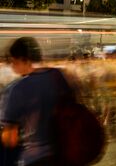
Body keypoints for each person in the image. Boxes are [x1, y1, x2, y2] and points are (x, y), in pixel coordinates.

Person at [1, 37, 75, 166]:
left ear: (23, 59)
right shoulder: (58, 76)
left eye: (13, 61)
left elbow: (10, 139)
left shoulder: (17, 89)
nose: (12, 66)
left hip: (34, 158)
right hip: (63, 152)